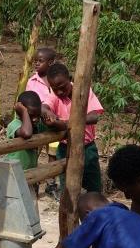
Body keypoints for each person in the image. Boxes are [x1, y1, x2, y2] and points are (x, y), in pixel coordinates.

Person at [42, 63, 104, 193]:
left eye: (62, 87)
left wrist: (67, 123)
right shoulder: (55, 95)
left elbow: (93, 117)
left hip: (86, 147)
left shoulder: (83, 91)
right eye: (55, 89)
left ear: (69, 79)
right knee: (67, 188)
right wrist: (49, 114)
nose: (59, 92)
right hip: (65, 147)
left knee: (93, 187)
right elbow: (44, 107)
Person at [26, 47, 61, 198]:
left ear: (51, 62)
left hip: (55, 122)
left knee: (53, 153)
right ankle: (32, 182)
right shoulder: (32, 81)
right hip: (38, 121)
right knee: (34, 152)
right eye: (35, 61)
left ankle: (51, 183)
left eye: (40, 61)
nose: (36, 64)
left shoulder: (58, 80)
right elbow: (29, 101)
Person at [6, 90, 45, 172]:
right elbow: (26, 133)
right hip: (13, 173)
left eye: (38, 115)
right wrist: (24, 112)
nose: (35, 119)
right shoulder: (14, 125)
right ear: (20, 112)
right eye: (31, 115)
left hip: (30, 173)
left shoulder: (36, 125)